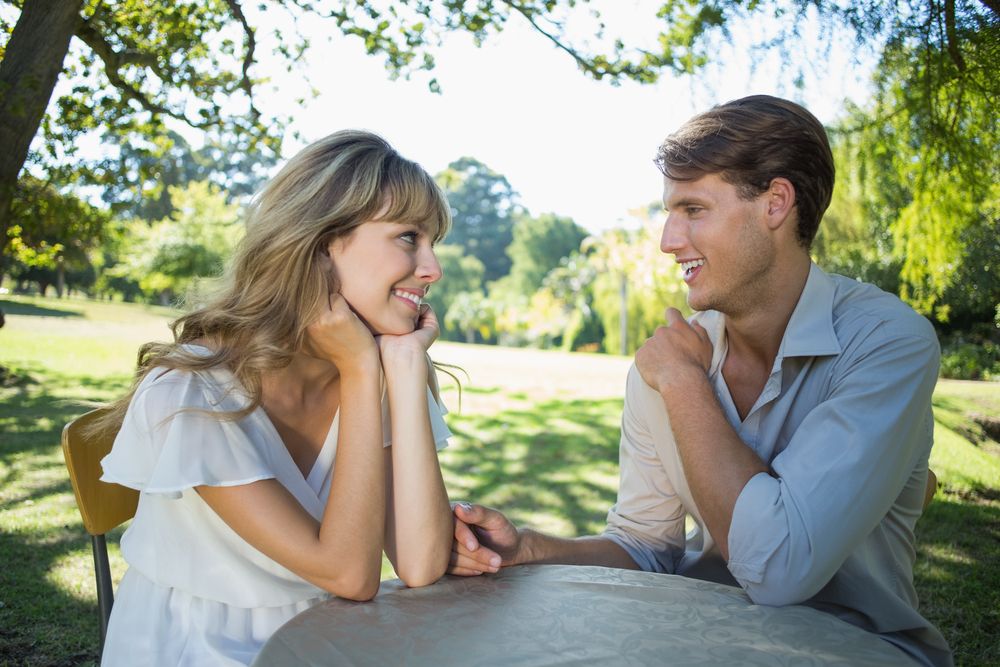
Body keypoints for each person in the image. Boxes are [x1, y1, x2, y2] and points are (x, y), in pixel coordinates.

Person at [449, 95, 952, 667]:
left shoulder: (887, 343)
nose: (667, 240)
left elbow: (780, 571)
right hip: (701, 636)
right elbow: (646, 547)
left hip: (859, 647)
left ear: (775, 203)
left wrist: (687, 385)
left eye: (693, 209)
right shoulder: (671, 355)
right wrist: (528, 548)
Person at [98, 130, 454, 665]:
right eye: (408, 237)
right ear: (320, 244)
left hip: (327, 640)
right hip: (197, 646)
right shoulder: (189, 393)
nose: (433, 269)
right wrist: (359, 368)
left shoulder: (387, 367)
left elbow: (421, 563)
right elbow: (349, 574)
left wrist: (402, 369)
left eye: (433, 243)